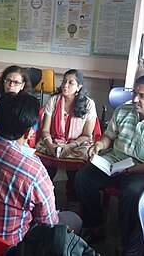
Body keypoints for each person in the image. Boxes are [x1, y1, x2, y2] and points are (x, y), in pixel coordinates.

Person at [0, 92, 82, 245]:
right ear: (29, 133)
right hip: (7, 249)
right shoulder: (33, 171)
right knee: (74, 220)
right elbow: (48, 225)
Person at [74, 75, 144, 253]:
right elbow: (109, 136)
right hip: (113, 161)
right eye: (134, 93)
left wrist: (129, 170)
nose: (135, 99)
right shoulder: (123, 111)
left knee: (132, 193)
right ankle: (95, 226)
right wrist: (99, 145)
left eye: (142, 96)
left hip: (142, 170)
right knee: (83, 178)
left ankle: (126, 239)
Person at [39, 69, 96, 203]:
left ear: (79, 87)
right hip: (53, 140)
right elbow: (45, 130)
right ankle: (44, 198)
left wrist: (71, 145)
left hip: (77, 143)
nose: (65, 85)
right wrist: (50, 145)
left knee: (77, 172)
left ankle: (73, 199)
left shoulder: (88, 104)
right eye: (64, 81)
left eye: (71, 83)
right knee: (42, 167)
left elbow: (87, 135)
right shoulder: (54, 100)